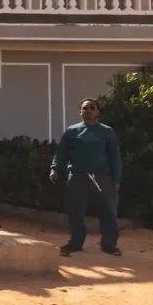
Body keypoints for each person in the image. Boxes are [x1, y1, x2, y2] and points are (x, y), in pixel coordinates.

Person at [50, 98, 123, 257]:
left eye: (92, 108)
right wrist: (55, 168)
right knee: (75, 211)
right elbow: (62, 152)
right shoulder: (72, 131)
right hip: (78, 176)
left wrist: (116, 180)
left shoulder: (107, 131)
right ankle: (75, 243)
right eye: (85, 108)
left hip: (102, 177)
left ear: (97, 112)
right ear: (80, 111)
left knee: (108, 211)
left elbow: (114, 157)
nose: (88, 110)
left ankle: (109, 244)